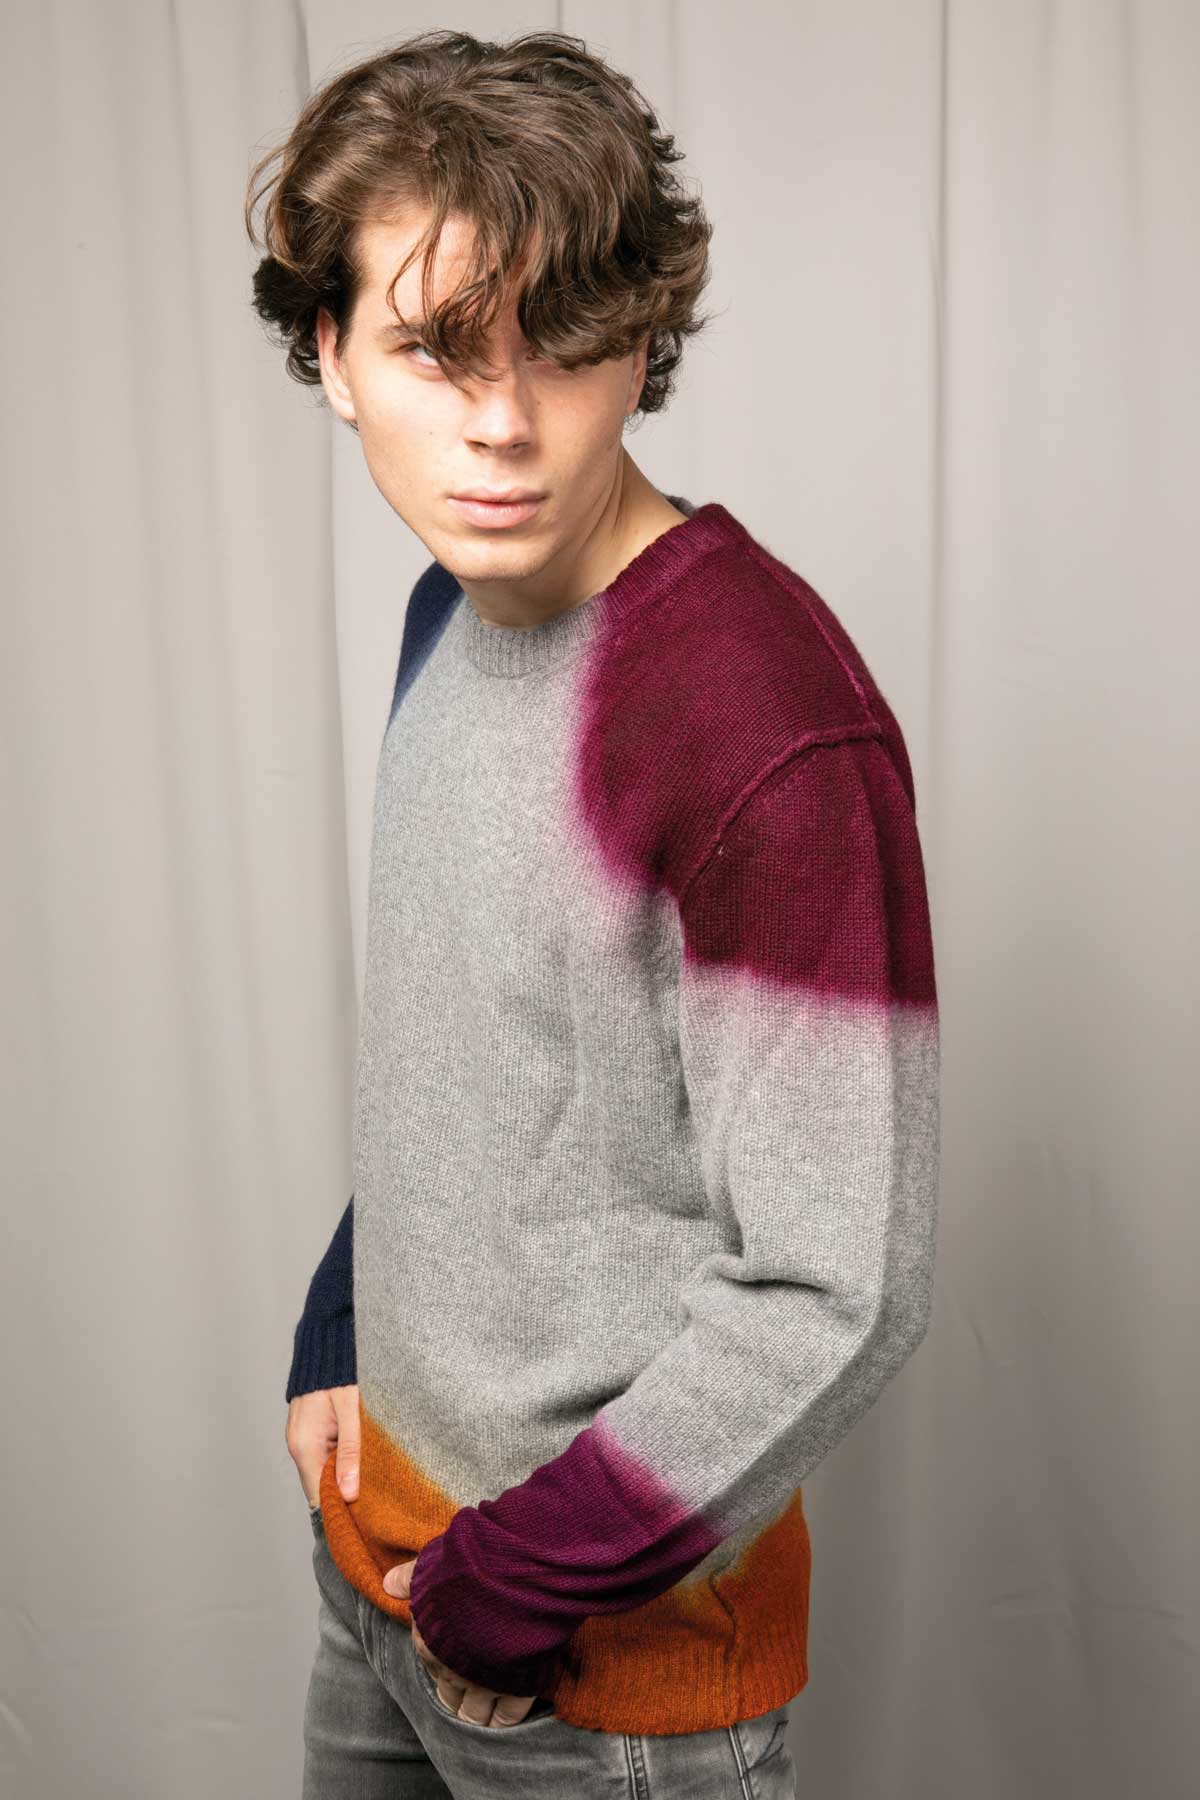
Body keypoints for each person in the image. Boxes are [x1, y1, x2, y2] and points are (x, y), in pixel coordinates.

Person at [246, 27, 940, 1800]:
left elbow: (840, 1288)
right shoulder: (450, 607)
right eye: (433, 347)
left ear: (644, 344)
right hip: (375, 1579)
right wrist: (341, 1324)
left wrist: (505, 1596)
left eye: (562, 341)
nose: (501, 421)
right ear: (329, 354)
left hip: (594, 1683)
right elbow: (467, 1050)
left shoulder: (762, 721)